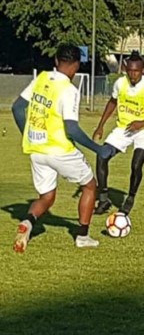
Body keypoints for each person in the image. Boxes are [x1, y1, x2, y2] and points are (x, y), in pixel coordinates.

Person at [11, 44, 113, 252]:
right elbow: (71, 128)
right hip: (60, 150)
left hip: (37, 150)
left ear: (56, 61)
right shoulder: (69, 90)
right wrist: (98, 149)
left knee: (47, 197)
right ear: (76, 66)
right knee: (90, 186)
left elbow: (18, 108)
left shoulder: (41, 78)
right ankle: (82, 237)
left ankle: (28, 223)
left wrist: (27, 134)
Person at [93, 52, 144, 216]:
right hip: (125, 128)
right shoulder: (120, 83)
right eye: (129, 71)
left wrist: (142, 123)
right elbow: (113, 102)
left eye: (136, 71)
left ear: (142, 70)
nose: (132, 74)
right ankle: (104, 198)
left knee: (136, 165)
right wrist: (100, 126)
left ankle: (130, 198)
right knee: (102, 156)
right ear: (126, 70)